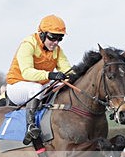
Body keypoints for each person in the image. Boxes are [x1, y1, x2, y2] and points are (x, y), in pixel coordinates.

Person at [6, 14, 74, 145]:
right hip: (17, 86)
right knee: (36, 88)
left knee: (62, 87)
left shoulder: (57, 50)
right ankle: (30, 126)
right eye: (53, 38)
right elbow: (26, 73)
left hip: (40, 88)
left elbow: (67, 70)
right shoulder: (28, 44)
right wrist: (51, 75)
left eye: (60, 39)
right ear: (42, 34)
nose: (56, 43)